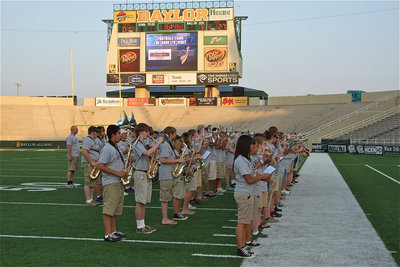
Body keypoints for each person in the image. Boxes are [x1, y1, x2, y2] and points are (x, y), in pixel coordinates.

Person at [233, 135, 273, 258]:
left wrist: (265, 178)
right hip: (244, 193)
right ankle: (241, 248)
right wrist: (263, 176)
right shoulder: (241, 160)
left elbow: (253, 172)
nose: (256, 147)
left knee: (249, 219)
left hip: (250, 192)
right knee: (242, 222)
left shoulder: (247, 159)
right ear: (247, 146)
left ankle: (247, 241)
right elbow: (249, 179)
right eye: (253, 145)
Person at [97, 124, 129, 242]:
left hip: (117, 181)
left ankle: (113, 231)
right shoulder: (108, 148)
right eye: (119, 133)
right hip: (111, 182)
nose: (121, 135)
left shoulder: (115, 146)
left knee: (115, 209)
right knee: (109, 209)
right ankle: (107, 234)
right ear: (113, 135)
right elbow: (100, 165)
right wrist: (117, 173)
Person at [133, 123, 164, 234]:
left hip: (146, 172)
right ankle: (139, 227)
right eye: (146, 131)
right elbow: (146, 153)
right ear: (141, 132)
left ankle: (142, 225)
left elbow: (149, 154)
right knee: (140, 201)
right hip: (140, 173)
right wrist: (158, 143)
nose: (148, 133)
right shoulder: (137, 143)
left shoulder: (142, 143)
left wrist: (155, 152)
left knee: (144, 202)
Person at [158, 126, 185, 225]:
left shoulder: (168, 144)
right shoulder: (165, 144)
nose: (175, 135)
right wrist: (177, 160)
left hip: (169, 174)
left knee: (167, 197)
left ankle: (166, 218)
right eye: (174, 133)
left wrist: (177, 157)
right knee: (165, 198)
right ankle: (165, 219)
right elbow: (163, 160)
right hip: (166, 174)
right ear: (171, 134)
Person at [81, 126, 102, 206]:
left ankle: (91, 200)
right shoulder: (88, 140)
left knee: (92, 182)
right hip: (89, 164)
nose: (98, 134)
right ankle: (88, 200)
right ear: (93, 132)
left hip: (93, 163)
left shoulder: (92, 140)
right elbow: (84, 151)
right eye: (97, 132)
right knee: (88, 182)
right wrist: (91, 161)